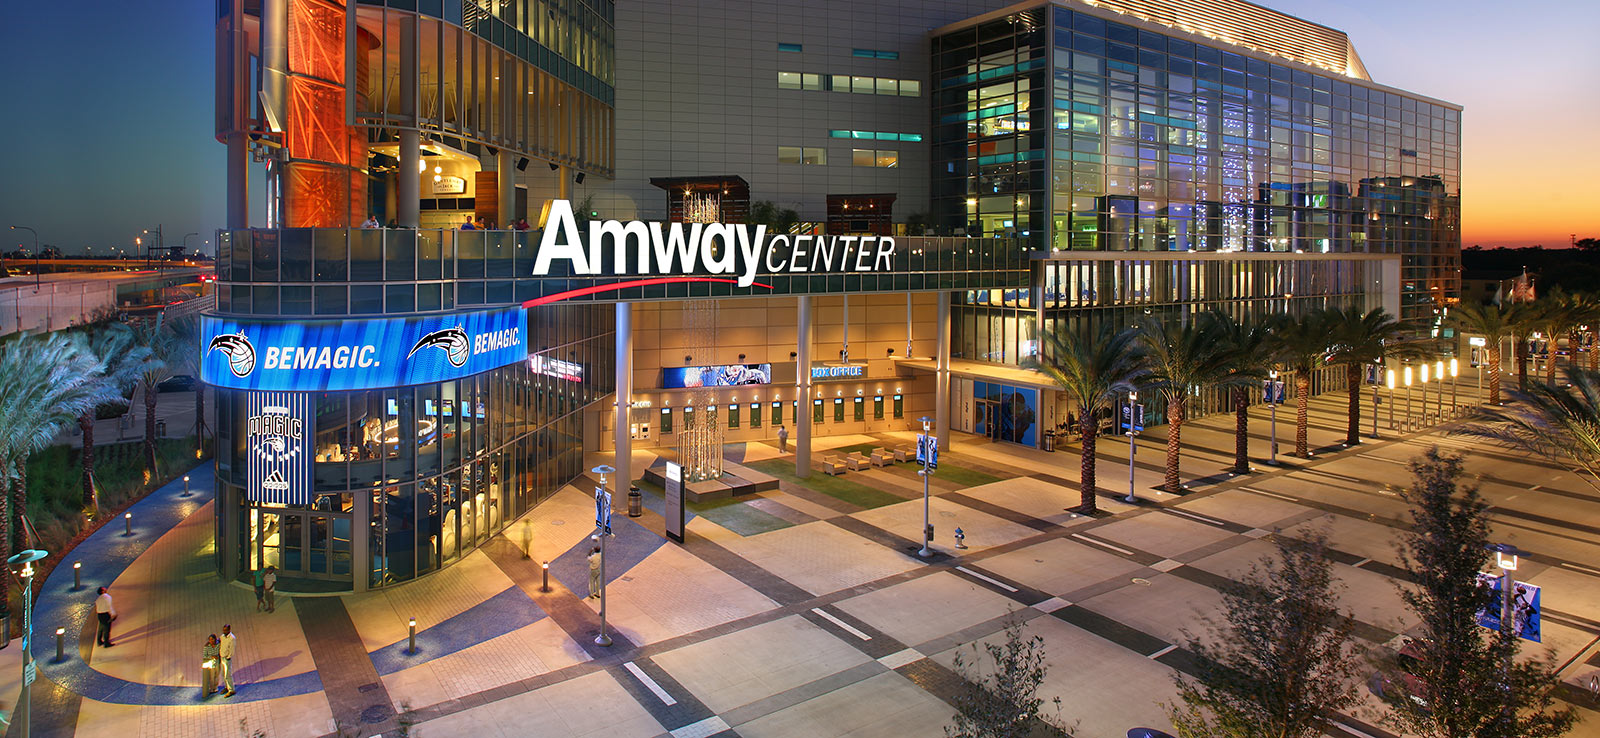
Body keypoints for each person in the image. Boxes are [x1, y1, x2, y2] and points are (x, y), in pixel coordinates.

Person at [218, 624, 237, 697]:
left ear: (229, 630)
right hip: (222, 657)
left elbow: (232, 649)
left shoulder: (232, 638)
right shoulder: (222, 636)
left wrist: (228, 657)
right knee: (223, 674)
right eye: (223, 630)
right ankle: (227, 687)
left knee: (227, 674)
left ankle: (231, 690)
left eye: (225, 630)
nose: (224, 631)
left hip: (226, 658)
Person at [201, 634, 221, 699]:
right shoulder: (206, 647)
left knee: (217, 675)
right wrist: (212, 656)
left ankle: (215, 687)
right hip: (211, 662)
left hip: (217, 662)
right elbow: (204, 656)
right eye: (210, 640)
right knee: (211, 676)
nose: (211, 641)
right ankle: (211, 688)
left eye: (212, 639)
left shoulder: (218, 644)